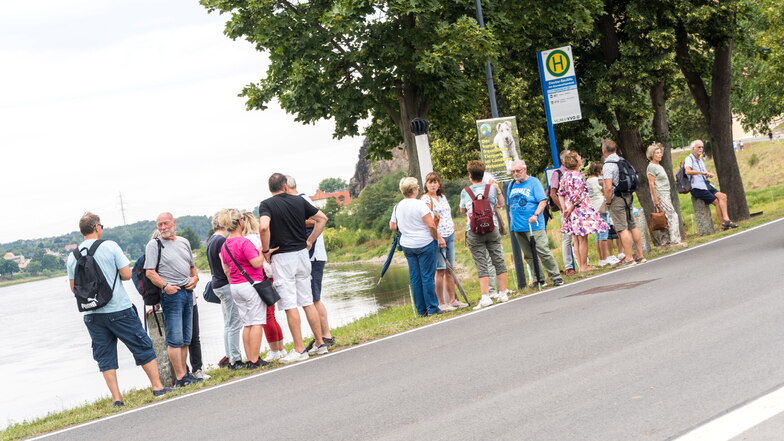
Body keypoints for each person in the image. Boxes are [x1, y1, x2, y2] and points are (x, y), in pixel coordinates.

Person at [67, 212, 171, 406]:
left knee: (105, 355)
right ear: (97, 227)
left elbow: (74, 288)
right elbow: (126, 274)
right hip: (118, 308)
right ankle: (158, 387)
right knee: (141, 345)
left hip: (92, 314)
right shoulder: (110, 246)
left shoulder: (73, 256)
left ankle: (117, 398)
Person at [259, 173, 329, 363]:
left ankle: (299, 349)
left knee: (290, 304)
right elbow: (322, 218)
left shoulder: (267, 204)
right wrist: (310, 240)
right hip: (302, 254)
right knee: (307, 301)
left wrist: (265, 250)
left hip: (283, 257)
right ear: (285, 186)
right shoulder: (299, 201)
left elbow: (264, 227)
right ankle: (320, 343)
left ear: (270, 188)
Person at [144, 212, 202, 387]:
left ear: (174, 223)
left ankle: (186, 374)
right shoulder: (154, 245)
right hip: (172, 294)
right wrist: (165, 287)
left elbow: (192, 267)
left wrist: (196, 278)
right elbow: (150, 272)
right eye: (159, 224)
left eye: (165, 224)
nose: (162, 228)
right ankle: (179, 377)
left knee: (186, 338)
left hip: (188, 292)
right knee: (175, 338)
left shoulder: (184, 242)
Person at [285, 176, 337, 353]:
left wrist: (306, 238)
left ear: (285, 187)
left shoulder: (300, 199)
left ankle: (324, 337)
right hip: (312, 254)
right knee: (313, 297)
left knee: (313, 297)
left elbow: (316, 219)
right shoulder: (300, 199)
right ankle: (322, 336)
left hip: (313, 254)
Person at [219, 209, 269, 369]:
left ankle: (250, 357)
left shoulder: (225, 245)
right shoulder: (244, 242)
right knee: (257, 322)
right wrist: (261, 252)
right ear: (240, 222)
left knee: (247, 323)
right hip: (251, 284)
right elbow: (256, 263)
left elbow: (226, 268)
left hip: (235, 285)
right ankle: (254, 360)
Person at [460, 160, 510, 309]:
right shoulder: (491, 189)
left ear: (470, 175)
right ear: (483, 174)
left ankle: (485, 296)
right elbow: (498, 204)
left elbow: (463, 210)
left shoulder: (465, 191)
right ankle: (503, 293)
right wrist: (497, 189)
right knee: (498, 260)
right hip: (492, 227)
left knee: (482, 264)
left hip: (474, 230)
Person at [390, 177, 443, 316]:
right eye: (417, 187)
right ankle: (432, 307)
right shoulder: (419, 205)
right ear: (414, 190)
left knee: (415, 277)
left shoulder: (398, 206)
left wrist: (406, 227)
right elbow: (431, 224)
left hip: (408, 245)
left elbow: (393, 226)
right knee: (427, 276)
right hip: (424, 242)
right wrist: (436, 238)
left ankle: (421, 310)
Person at [506, 160, 564, 287]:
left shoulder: (533, 182)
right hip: (518, 226)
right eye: (513, 171)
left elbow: (542, 201)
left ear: (524, 170)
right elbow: (509, 204)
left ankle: (556, 276)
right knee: (528, 255)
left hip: (534, 224)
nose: (516, 173)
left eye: (518, 171)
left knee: (542, 250)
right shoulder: (511, 185)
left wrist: (536, 215)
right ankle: (539, 278)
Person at [240, 210, 286, 362]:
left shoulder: (246, 240)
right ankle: (280, 347)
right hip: (270, 276)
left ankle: (274, 350)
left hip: (260, 278)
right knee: (272, 315)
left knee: (266, 317)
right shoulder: (260, 237)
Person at [421, 172, 467, 310]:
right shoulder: (426, 199)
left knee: (449, 269)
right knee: (440, 269)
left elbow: (446, 214)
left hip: (449, 234)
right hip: (437, 237)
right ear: (426, 184)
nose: (433, 184)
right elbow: (429, 220)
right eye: (430, 182)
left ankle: (453, 300)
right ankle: (441, 303)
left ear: (439, 183)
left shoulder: (442, 197)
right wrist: (438, 237)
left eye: (435, 182)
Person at [205, 210, 245, 370]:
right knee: (235, 322)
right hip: (226, 283)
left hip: (217, 284)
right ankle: (235, 359)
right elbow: (227, 266)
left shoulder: (211, 240)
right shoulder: (221, 241)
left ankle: (230, 356)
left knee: (228, 323)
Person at [557, 151, 608, 272]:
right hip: (579, 210)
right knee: (583, 238)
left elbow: (560, 193)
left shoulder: (565, 176)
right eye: (579, 157)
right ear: (575, 161)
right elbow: (578, 195)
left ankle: (580, 265)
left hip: (569, 210)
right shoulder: (577, 175)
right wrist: (571, 207)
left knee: (576, 239)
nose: (581, 158)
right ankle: (584, 265)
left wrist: (564, 208)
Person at [601, 140, 646, 266]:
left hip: (616, 198)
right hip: (628, 196)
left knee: (622, 228)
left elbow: (608, 187)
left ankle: (629, 257)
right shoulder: (622, 160)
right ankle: (640, 255)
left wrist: (608, 201)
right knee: (632, 226)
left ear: (604, 151)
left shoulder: (608, 165)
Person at [684, 140, 739, 230]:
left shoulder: (700, 160)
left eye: (702, 147)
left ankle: (727, 220)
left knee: (723, 196)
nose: (701, 149)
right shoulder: (689, 159)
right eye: (699, 147)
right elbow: (688, 171)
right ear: (693, 148)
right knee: (716, 201)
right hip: (697, 188)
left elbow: (704, 174)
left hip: (706, 185)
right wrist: (702, 172)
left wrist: (708, 174)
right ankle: (723, 224)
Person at [646, 143, 687, 247]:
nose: (660, 155)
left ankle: (666, 241)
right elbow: (651, 183)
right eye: (657, 153)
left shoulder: (659, 166)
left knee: (665, 218)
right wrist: (655, 198)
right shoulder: (651, 167)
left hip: (666, 193)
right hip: (660, 194)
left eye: (660, 153)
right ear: (652, 155)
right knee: (673, 215)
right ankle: (675, 240)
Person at [549, 150, 576, 275]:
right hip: (565, 209)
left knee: (578, 235)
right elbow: (553, 193)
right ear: (563, 160)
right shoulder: (558, 173)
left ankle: (581, 262)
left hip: (575, 208)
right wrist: (562, 208)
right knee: (567, 237)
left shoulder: (575, 172)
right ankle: (569, 266)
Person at [586, 162, 618, 266]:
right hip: (601, 206)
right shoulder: (599, 180)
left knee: (598, 235)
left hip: (592, 207)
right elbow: (606, 191)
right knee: (604, 234)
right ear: (599, 171)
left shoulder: (588, 181)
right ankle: (604, 258)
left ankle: (601, 258)